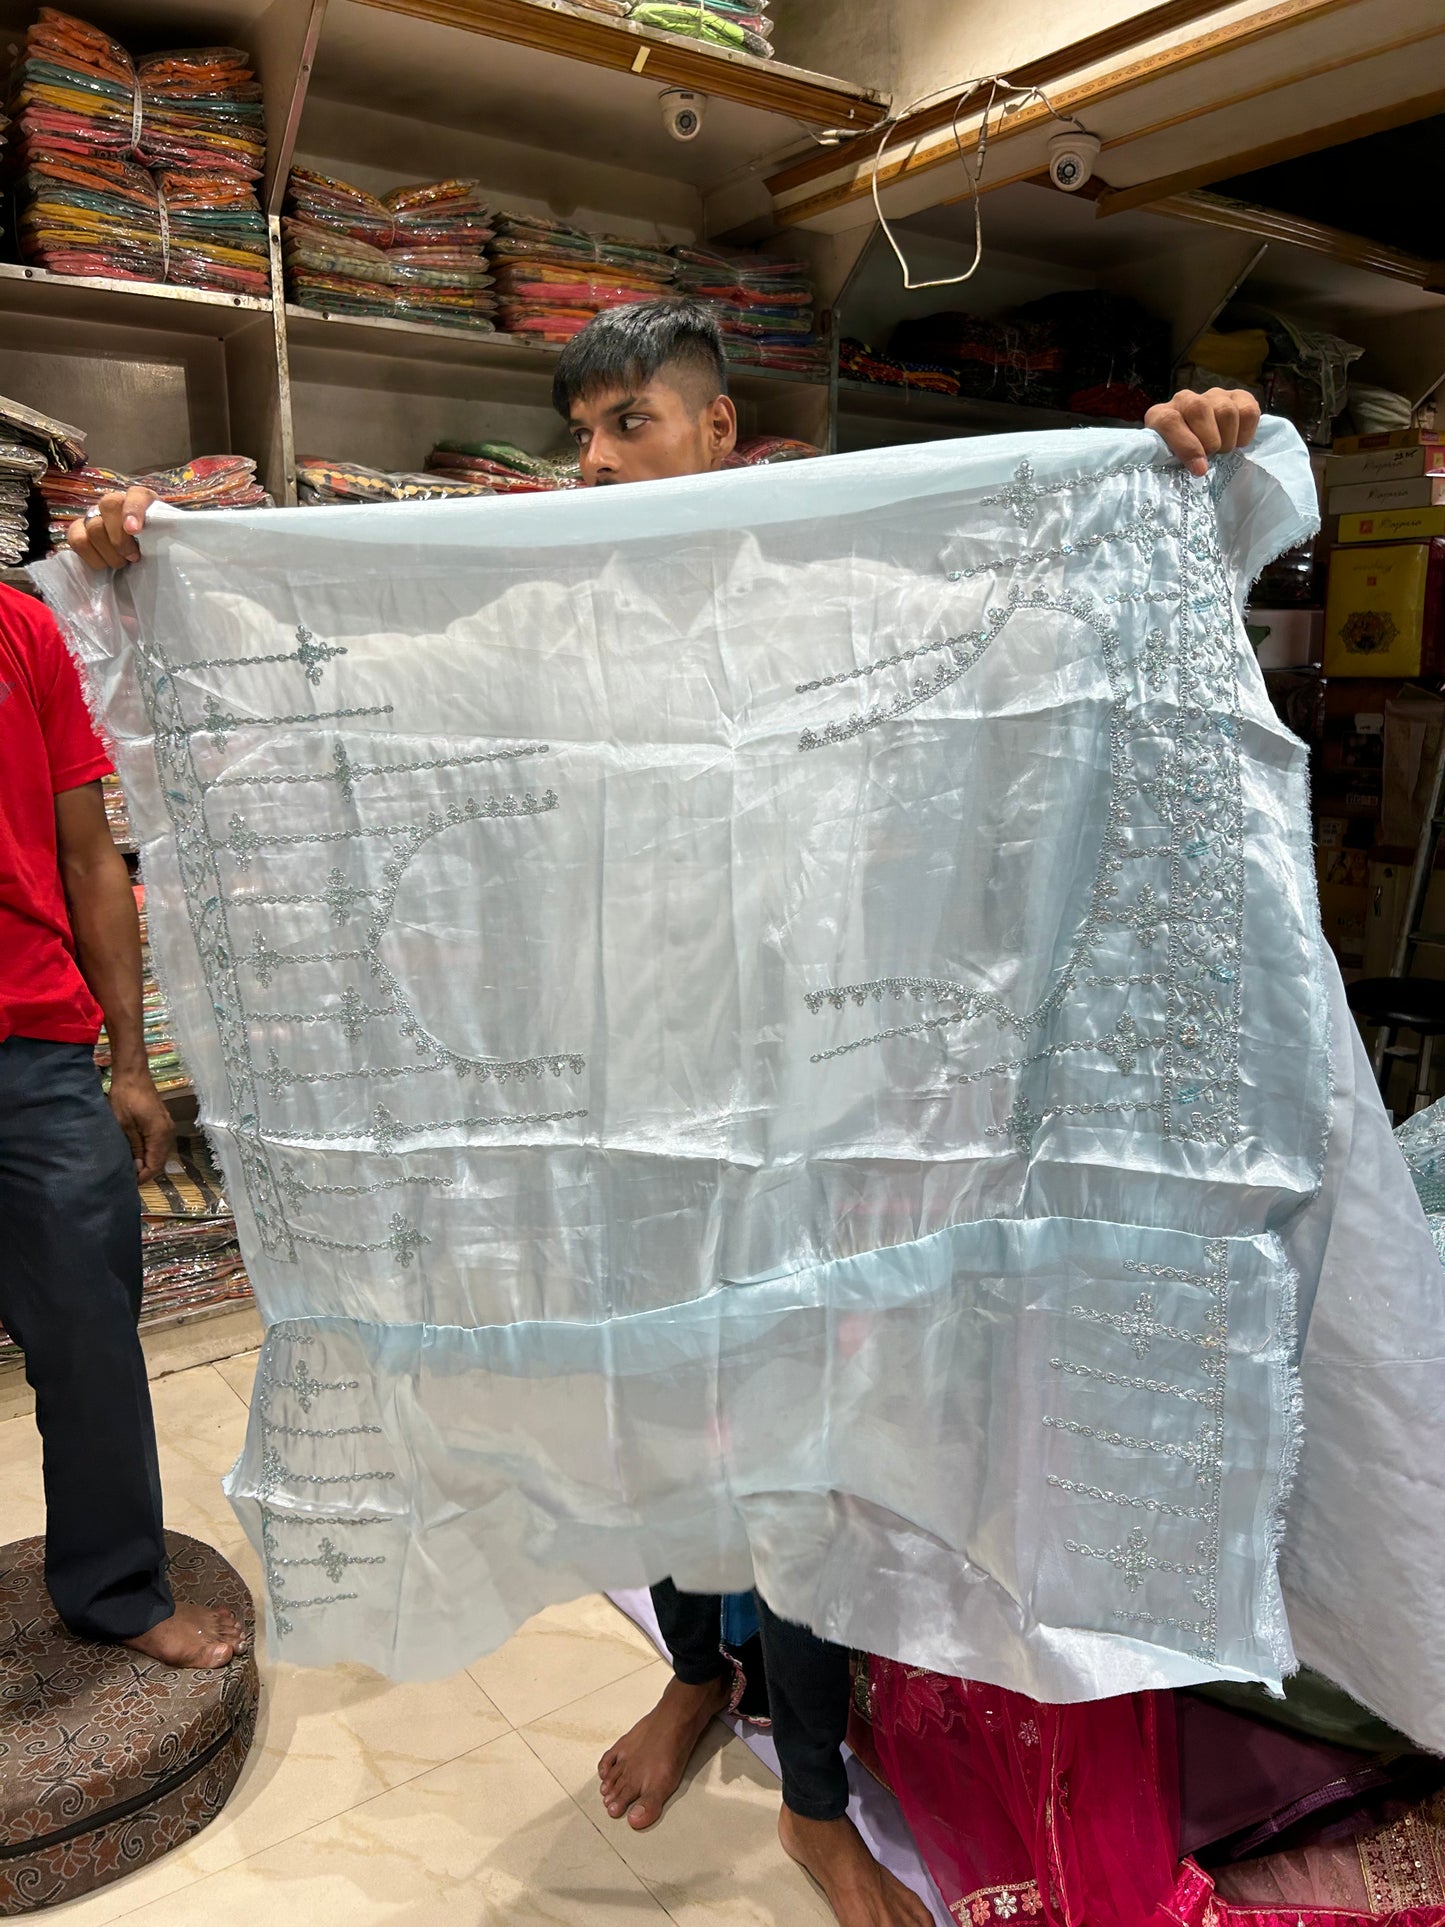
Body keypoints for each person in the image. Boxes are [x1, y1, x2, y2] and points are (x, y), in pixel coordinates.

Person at [66, 297, 1262, 1925]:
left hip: (795, 1127)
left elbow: (1017, 618)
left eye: (630, 423)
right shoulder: (544, 619)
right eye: (581, 430)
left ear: (720, 434)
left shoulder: (831, 595)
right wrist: (159, 574)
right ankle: (702, 1676)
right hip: (601, 1129)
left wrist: (1162, 467)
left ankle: (818, 1801)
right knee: (646, 1412)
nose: (596, 457)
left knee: (792, 1443)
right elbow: (335, 676)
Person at [0, 580, 243, 1669]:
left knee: (91, 1338)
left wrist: (132, 1063)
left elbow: (92, 855)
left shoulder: (21, 627)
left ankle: (115, 1589)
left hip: (35, 1049)